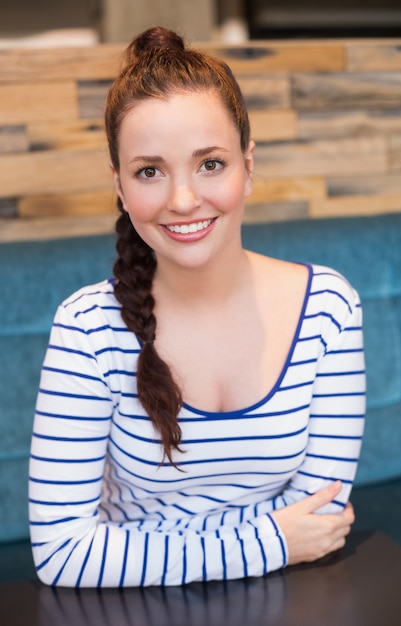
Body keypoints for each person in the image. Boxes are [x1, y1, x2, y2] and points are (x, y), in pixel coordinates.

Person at [29, 27, 366, 588]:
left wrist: (140, 552)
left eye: (210, 163)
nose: (183, 200)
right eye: (150, 171)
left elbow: (322, 518)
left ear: (248, 167)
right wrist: (272, 540)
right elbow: (62, 551)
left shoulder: (329, 307)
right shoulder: (87, 329)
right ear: (118, 185)